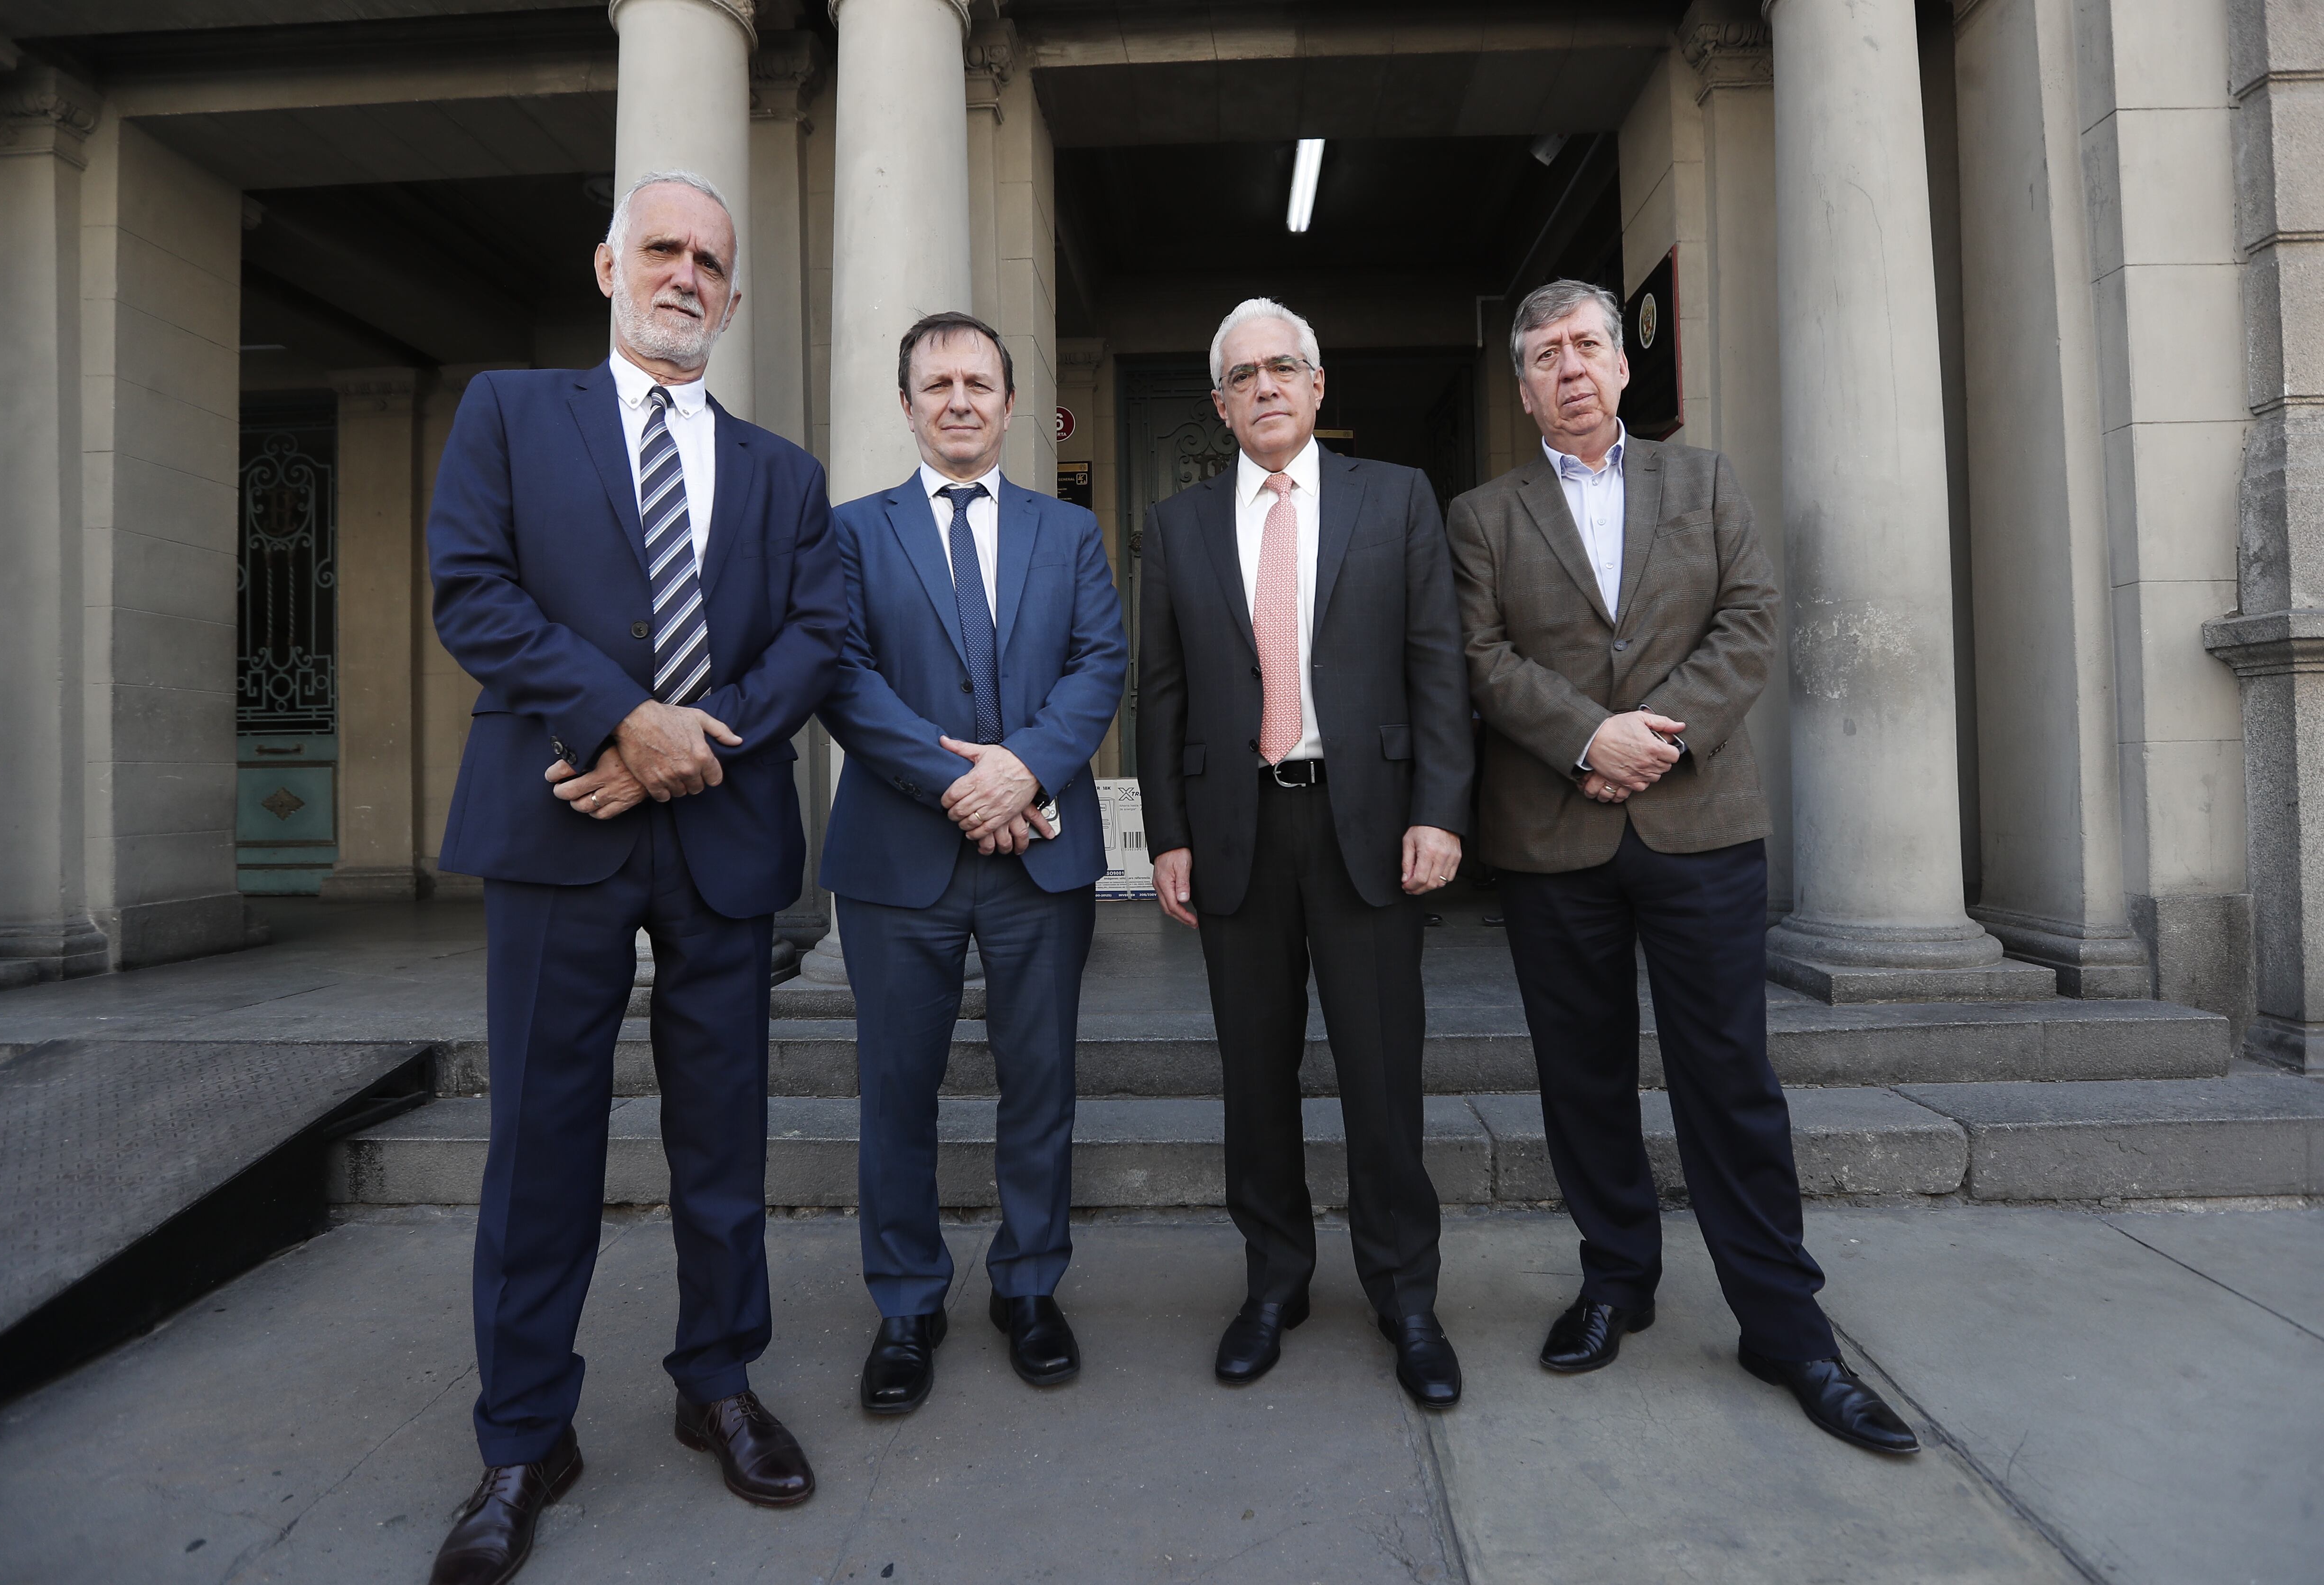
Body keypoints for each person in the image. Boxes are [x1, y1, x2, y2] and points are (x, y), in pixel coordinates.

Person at [423, 170, 848, 1585]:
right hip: (557, 820)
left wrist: (685, 745)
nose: (684, 274)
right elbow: (474, 591)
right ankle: (522, 1434)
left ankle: (716, 1380)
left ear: (733, 294)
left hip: (719, 836)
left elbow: (815, 636)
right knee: (540, 1147)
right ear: (609, 265)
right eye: (660, 248)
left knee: (721, 1142)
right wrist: (622, 718)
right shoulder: (506, 412)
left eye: (710, 259)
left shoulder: (785, 473)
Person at [1447, 279, 1919, 1455]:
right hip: (1555, 840)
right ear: (1521, 388)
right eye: (1545, 354)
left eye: (1587, 346)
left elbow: (1751, 621)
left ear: (1620, 365)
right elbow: (1478, 655)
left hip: (1699, 826)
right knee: (1582, 1078)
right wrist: (1581, 738)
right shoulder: (1481, 515)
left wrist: (1648, 735)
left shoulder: (1701, 481)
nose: (1569, 368)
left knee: (1730, 1077)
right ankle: (1617, 1282)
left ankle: (1785, 1323)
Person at [1135, 298, 1475, 1406]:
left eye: (1286, 367)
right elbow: (1165, 691)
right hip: (1236, 832)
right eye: (1244, 374)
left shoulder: (1399, 499)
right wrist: (1169, 835)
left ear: (1318, 387)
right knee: (1254, 1077)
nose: (1267, 386)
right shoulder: (1177, 524)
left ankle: (1404, 1294)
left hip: (1368, 824)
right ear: (1223, 403)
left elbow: (1437, 663)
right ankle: (1272, 1282)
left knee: (1383, 1075)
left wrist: (1441, 807)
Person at [818, 312, 1126, 1414]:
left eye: (978, 382)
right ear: (906, 404)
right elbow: (842, 676)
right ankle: (905, 1303)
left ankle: (1029, 1287)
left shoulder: (1069, 532)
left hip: (1040, 854)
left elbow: (1099, 666)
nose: (958, 399)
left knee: (1039, 1084)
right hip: (898, 859)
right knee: (896, 1091)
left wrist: (1023, 773)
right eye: (936, 382)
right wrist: (961, 785)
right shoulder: (851, 533)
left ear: (1009, 404)